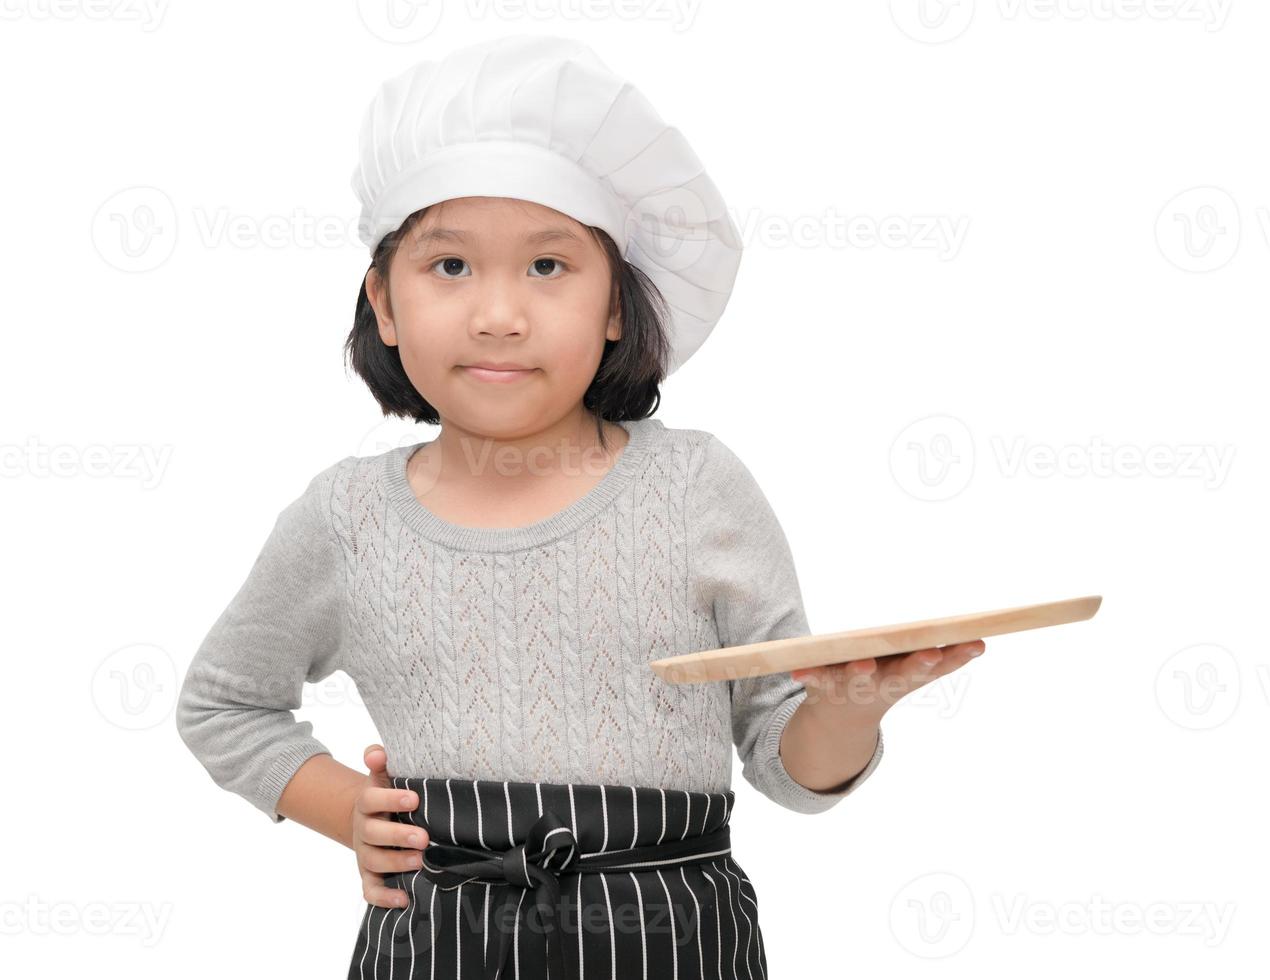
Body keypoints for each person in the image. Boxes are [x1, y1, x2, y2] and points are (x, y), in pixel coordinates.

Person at [174, 34, 986, 979]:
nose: (498, 315)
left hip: (675, 938)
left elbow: (783, 764)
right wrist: (338, 809)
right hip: (440, 940)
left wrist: (847, 711)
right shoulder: (347, 517)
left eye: (548, 267)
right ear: (383, 303)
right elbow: (224, 702)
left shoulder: (696, 488)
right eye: (449, 268)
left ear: (615, 306)